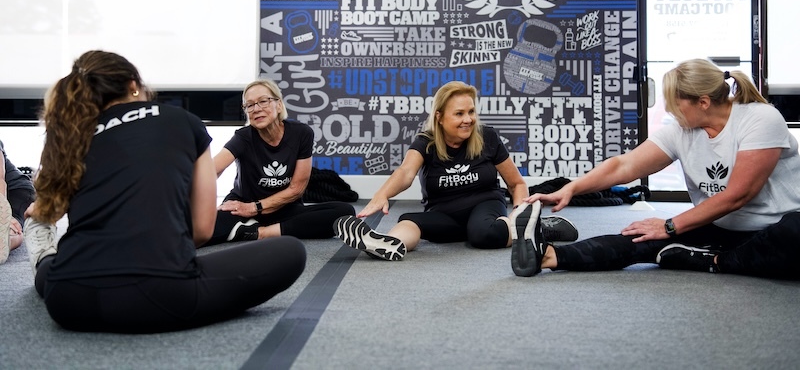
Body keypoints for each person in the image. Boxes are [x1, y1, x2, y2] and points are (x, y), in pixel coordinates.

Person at [23, 50, 306, 333]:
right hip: (159, 296)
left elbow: (55, 203)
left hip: (67, 301)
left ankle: (42, 252)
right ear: (134, 85)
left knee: (64, 263)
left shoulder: (74, 133)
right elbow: (202, 230)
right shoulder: (183, 120)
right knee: (290, 251)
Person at [510, 58, 800, 280]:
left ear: (703, 102)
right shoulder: (681, 129)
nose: (671, 111)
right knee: (643, 236)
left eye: (676, 103)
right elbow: (624, 165)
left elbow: (738, 195)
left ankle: (710, 261)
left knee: (792, 235)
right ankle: (548, 256)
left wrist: (671, 224)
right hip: (722, 228)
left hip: (776, 226)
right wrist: (571, 188)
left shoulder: (760, 119)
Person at [335, 81, 578, 261]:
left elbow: (516, 183)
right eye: (459, 113)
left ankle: (532, 227)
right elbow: (406, 172)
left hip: (485, 205)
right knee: (409, 220)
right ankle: (388, 244)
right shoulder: (426, 141)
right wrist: (382, 195)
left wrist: (518, 212)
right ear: (439, 117)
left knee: (483, 235)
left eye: (471, 112)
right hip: (445, 213)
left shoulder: (487, 136)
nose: (468, 119)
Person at [203, 79, 354, 246]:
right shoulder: (243, 137)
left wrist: (255, 207)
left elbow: (296, 189)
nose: (256, 109)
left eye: (263, 101)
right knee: (195, 232)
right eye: (249, 105)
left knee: (344, 212)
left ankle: (260, 233)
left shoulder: (302, 134)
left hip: (284, 208)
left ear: (279, 105)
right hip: (243, 208)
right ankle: (259, 228)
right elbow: (211, 170)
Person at [1, 139, 36, 263]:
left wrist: (4, 218)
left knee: (10, 226)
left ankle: (7, 240)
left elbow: (0, 180)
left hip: (14, 191)